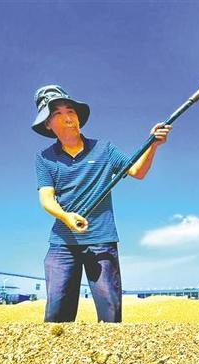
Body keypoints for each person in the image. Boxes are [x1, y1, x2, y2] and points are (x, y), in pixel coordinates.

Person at [31, 85, 171, 323]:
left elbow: (137, 171)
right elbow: (46, 198)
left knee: (110, 314)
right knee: (56, 314)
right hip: (62, 243)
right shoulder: (45, 158)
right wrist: (66, 217)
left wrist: (152, 145)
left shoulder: (104, 149)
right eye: (57, 114)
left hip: (101, 240)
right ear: (47, 124)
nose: (67, 117)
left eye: (70, 111)